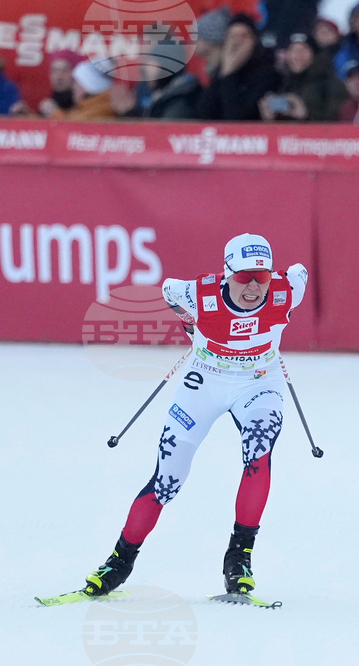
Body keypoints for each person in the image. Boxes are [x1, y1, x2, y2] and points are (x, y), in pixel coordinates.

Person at [79, 235, 308, 599]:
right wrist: (191, 325)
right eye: (244, 276)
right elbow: (168, 290)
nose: (253, 286)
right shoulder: (195, 293)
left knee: (259, 451)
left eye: (261, 277)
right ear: (227, 273)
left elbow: (299, 271)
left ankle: (239, 558)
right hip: (203, 384)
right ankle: (119, 562)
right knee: (167, 479)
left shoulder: (288, 289)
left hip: (259, 384)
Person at [198, 13, 282, 120]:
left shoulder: (267, 74)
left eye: (243, 36)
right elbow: (205, 112)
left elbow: (238, 116)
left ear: (254, 40)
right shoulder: (221, 71)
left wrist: (229, 76)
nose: (237, 41)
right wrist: (226, 72)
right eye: (233, 36)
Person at [260, 32, 346, 121]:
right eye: (292, 50)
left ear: (315, 55)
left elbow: (338, 123)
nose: (297, 55)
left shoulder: (332, 85)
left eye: (303, 50)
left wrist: (306, 115)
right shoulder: (281, 82)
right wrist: (269, 118)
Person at [36, 50, 86, 117]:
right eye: (54, 71)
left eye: (65, 70)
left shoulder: (88, 102)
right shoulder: (47, 105)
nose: (59, 76)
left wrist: (56, 114)